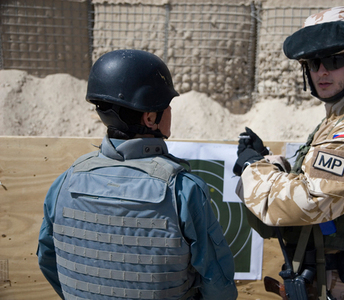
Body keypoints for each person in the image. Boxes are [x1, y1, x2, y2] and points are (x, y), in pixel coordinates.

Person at [37, 49, 238, 300]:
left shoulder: (65, 182)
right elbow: (219, 286)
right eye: (167, 105)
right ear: (151, 117)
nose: (170, 112)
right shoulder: (183, 190)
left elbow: (47, 259)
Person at [233, 6, 344, 300]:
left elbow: (312, 201)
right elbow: (313, 178)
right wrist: (271, 160)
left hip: (335, 285)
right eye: (314, 62)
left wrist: (253, 169)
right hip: (317, 277)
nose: (321, 71)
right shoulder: (339, 119)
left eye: (333, 60)